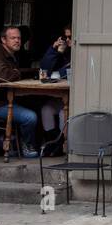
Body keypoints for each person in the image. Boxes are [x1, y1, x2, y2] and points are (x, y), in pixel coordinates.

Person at [0, 25, 40, 159]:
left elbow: (13, 74)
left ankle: (30, 144)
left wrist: (17, 72)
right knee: (30, 117)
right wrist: (16, 72)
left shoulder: (12, 55)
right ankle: (25, 145)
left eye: (19, 38)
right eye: (13, 38)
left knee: (38, 105)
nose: (17, 41)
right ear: (3, 40)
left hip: (10, 100)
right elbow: (4, 75)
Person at [37, 26, 72, 155]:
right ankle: (53, 144)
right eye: (65, 37)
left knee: (64, 113)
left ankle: (64, 144)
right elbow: (44, 69)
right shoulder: (62, 52)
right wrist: (54, 50)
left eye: (70, 37)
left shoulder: (80, 51)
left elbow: (64, 73)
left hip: (75, 98)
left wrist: (58, 72)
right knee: (46, 109)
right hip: (61, 97)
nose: (67, 40)